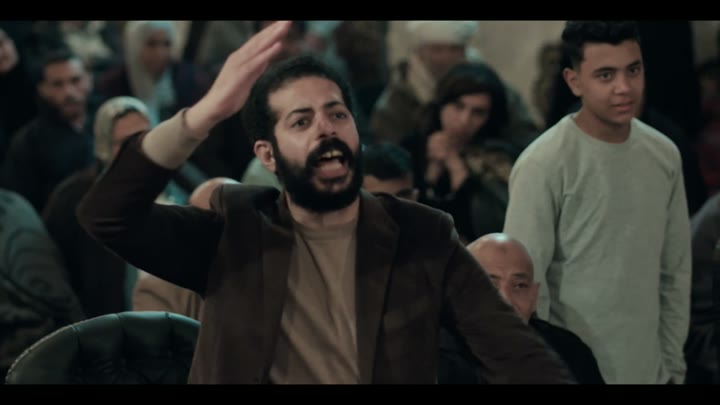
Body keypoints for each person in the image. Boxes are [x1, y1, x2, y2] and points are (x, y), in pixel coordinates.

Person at [77, 21, 574, 384]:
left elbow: (515, 353)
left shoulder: (422, 235)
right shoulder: (233, 230)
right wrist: (200, 117)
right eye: (301, 121)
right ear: (267, 155)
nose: (326, 129)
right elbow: (107, 214)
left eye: (337, 114)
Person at [503, 21, 691, 384]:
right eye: (606, 75)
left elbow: (674, 272)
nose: (624, 87)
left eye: (633, 70)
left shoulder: (664, 155)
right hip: (570, 372)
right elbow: (525, 286)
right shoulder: (544, 163)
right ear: (574, 81)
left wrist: (671, 368)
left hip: (649, 371)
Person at [458, 234, 605, 384]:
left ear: (534, 296)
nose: (506, 300)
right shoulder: (445, 359)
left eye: (520, 286)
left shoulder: (569, 352)